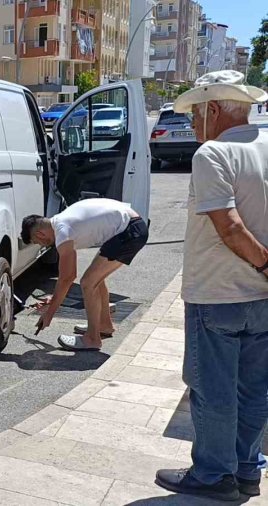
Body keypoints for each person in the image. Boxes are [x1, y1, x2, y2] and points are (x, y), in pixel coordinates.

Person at [152, 70, 268, 501]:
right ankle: (246, 469)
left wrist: (265, 264)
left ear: (213, 109)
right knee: (254, 389)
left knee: (212, 390)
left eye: (195, 114)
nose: (193, 125)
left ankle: (213, 475)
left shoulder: (213, 154)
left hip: (217, 295)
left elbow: (230, 227)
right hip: (262, 300)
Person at [22, 198, 148, 351]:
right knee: (95, 280)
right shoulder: (62, 221)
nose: (41, 245)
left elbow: (67, 277)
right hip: (131, 227)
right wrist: (53, 301)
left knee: (88, 283)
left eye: (37, 242)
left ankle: (92, 339)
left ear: (40, 233)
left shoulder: (62, 230)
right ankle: (104, 325)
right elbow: (69, 275)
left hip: (129, 231)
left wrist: (50, 312)